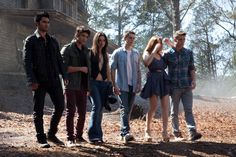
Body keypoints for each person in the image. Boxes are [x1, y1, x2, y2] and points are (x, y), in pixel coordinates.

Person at [23, 12, 68, 148]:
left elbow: (59, 60)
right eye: (44, 22)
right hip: (39, 81)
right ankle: (41, 138)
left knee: (60, 106)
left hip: (54, 79)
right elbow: (27, 62)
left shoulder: (53, 40)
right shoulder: (30, 40)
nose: (46, 24)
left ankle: (51, 134)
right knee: (39, 110)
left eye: (48, 22)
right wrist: (32, 80)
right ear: (37, 23)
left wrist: (64, 75)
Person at [163, 30, 202, 141]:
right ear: (175, 39)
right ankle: (176, 133)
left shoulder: (188, 52)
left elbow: (192, 68)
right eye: (180, 39)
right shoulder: (168, 54)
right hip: (174, 87)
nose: (182, 41)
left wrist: (194, 81)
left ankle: (192, 132)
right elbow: (161, 67)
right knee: (174, 111)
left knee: (188, 109)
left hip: (187, 86)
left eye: (184, 39)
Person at [61, 26, 90, 147]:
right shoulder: (67, 49)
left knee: (82, 113)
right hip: (71, 84)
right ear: (76, 35)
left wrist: (88, 87)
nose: (84, 38)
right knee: (71, 112)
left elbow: (89, 69)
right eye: (82, 35)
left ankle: (79, 136)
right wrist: (80, 69)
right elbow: (63, 68)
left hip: (83, 86)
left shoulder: (86, 51)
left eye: (86, 37)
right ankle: (70, 138)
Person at [110, 31, 141, 144]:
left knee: (128, 109)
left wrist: (139, 84)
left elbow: (138, 70)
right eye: (130, 38)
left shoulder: (136, 53)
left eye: (133, 38)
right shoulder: (117, 53)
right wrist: (114, 85)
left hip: (132, 85)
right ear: (125, 38)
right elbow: (112, 69)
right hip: (121, 85)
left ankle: (123, 133)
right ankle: (125, 132)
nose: (132, 40)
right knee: (124, 108)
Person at [140, 36, 170, 142]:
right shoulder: (147, 53)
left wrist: (169, 43)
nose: (160, 45)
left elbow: (174, 52)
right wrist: (154, 51)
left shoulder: (162, 54)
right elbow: (146, 63)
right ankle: (147, 131)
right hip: (153, 80)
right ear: (152, 43)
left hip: (163, 79)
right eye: (158, 43)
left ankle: (165, 131)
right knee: (153, 107)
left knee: (165, 107)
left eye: (160, 43)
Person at [87, 32, 113, 144]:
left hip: (104, 84)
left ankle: (99, 136)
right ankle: (93, 135)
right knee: (96, 106)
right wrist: (86, 86)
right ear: (96, 41)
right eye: (99, 40)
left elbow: (107, 70)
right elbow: (87, 70)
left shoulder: (106, 55)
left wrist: (111, 84)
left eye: (103, 40)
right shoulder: (90, 52)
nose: (101, 42)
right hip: (93, 84)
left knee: (100, 110)